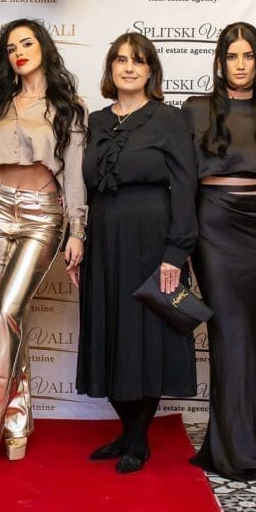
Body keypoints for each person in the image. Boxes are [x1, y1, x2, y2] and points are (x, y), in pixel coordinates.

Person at [0, 19, 86, 479]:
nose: (19, 53)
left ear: (44, 47)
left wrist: (77, 231)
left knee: (8, 312)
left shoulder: (68, 108)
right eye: (11, 48)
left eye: (27, 43)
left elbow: (74, 175)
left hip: (41, 214)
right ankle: (16, 422)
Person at [182, 22, 256, 485]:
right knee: (228, 334)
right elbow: (183, 185)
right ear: (220, 62)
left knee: (250, 337)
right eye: (232, 56)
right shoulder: (195, 110)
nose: (241, 64)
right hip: (213, 227)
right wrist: (182, 244)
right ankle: (244, 454)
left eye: (249, 56)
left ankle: (234, 447)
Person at [77, 32, 197, 474]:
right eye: (121, 59)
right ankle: (128, 431)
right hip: (104, 239)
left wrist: (175, 251)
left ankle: (138, 437)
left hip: (152, 238)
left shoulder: (169, 119)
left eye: (139, 60)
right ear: (111, 68)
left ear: (151, 71)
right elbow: (84, 187)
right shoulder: (95, 121)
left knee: (147, 336)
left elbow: (185, 187)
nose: (129, 67)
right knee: (108, 330)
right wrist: (77, 238)